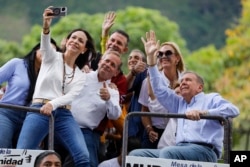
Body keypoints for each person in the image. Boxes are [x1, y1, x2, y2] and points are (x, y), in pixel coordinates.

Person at [129, 30, 240, 162]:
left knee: (168, 153)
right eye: (181, 82)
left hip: (204, 150)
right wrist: (151, 60)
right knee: (136, 155)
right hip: (179, 149)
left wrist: (205, 112)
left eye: (188, 80)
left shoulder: (211, 98)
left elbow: (234, 110)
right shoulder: (179, 103)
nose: (183, 83)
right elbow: (159, 90)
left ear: (200, 87)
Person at [16, 7, 94, 167]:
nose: (75, 41)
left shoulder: (80, 74)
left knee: (83, 157)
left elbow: (71, 96)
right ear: (66, 41)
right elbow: (45, 43)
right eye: (73, 37)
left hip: (64, 114)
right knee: (22, 156)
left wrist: (53, 104)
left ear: (84, 48)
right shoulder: (52, 56)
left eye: (80, 40)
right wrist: (46, 25)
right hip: (40, 109)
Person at [0, 39, 60, 148]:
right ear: (36, 50)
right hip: (7, 113)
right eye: (45, 48)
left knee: (29, 153)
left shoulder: (51, 76)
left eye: (52, 52)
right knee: (2, 146)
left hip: (32, 116)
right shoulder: (17, 64)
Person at [139, 41, 185, 148]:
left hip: (179, 132)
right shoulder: (148, 81)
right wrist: (149, 129)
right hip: (155, 132)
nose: (163, 56)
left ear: (177, 58)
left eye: (168, 53)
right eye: (160, 54)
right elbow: (144, 111)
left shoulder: (186, 81)